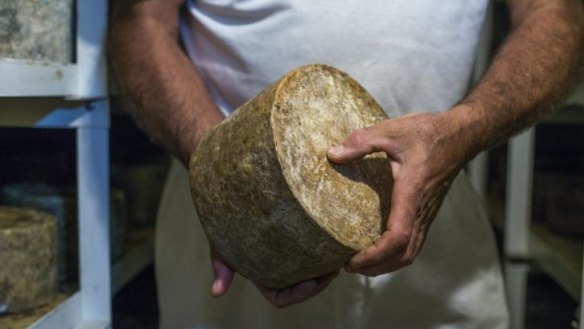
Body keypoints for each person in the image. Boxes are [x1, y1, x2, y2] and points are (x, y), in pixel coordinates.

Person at [108, 0, 584, 328]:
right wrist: (225, 176)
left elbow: (555, 15)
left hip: (436, 217)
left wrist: (463, 130)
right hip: (234, 233)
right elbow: (141, 22)